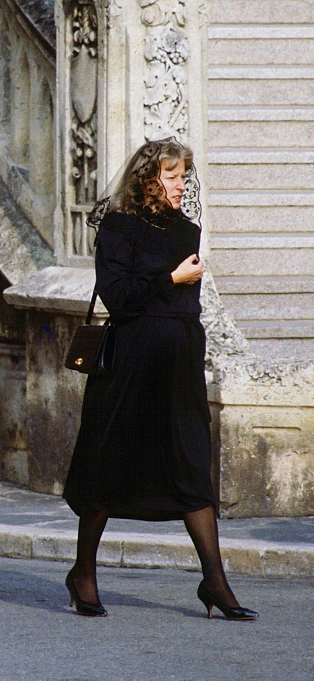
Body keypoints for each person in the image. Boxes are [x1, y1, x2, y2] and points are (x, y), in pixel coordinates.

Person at [62, 138, 257, 621]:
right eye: (171, 176)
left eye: (184, 176)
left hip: (178, 364)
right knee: (109, 462)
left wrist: (178, 295)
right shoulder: (117, 226)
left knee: (191, 463)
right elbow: (119, 297)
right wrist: (170, 280)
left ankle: (215, 582)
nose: (180, 184)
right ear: (147, 177)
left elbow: (184, 306)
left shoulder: (186, 229)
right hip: (129, 365)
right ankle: (83, 572)